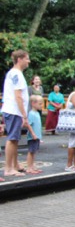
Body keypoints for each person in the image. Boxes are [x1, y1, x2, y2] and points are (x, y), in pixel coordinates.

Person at [2, 49, 31, 178]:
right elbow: (18, 96)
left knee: (15, 138)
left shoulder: (12, 73)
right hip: (14, 110)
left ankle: (15, 164)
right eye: (27, 58)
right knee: (12, 139)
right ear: (20, 59)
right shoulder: (17, 75)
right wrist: (24, 114)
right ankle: (8, 168)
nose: (28, 61)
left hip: (11, 109)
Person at [26, 94, 44, 174]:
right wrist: (33, 134)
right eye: (40, 104)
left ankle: (32, 166)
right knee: (31, 151)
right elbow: (28, 125)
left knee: (34, 151)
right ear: (33, 103)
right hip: (32, 136)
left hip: (36, 136)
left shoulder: (37, 113)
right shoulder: (31, 114)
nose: (41, 105)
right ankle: (29, 167)